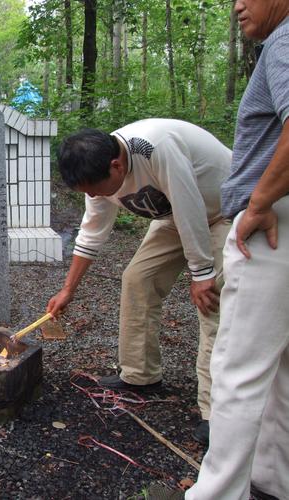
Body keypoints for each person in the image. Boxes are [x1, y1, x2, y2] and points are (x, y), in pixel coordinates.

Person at [46, 119, 231, 443]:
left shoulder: (156, 147)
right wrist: (67, 290)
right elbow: (91, 234)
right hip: (174, 218)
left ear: (117, 166)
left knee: (212, 301)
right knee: (137, 279)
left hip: (224, 211)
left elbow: (190, 205)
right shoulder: (98, 170)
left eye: (93, 188)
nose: (92, 195)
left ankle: (218, 413)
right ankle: (140, 375)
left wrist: (201, 273)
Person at [183, 1, 289, 498]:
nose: (238, 5)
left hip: (271, 227)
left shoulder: (284, 41)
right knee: (279, 367)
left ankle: (218, 492)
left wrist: (261, 200)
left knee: (238, 366)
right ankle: (272, 478)